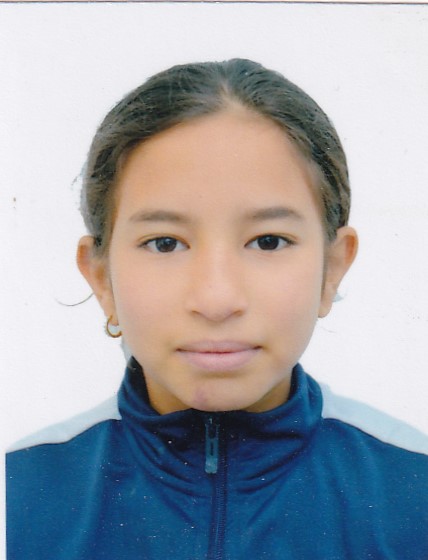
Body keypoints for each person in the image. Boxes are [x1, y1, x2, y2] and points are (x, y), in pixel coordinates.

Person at [6, 58, 428, 559]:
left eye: (268, 241)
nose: (216, 300)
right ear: (101, 277)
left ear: (332, 267)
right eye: (165, 243)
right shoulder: (18, 494)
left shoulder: (414, 491)